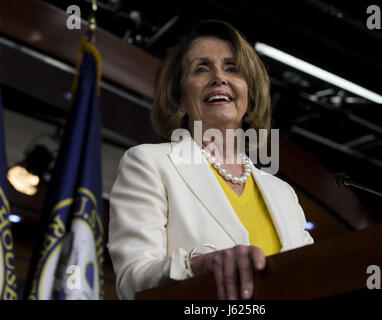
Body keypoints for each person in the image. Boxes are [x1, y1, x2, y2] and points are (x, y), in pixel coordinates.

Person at [108, 19, 314, 300]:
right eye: (201, 69)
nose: (219, 77)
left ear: (250, 97)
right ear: (179, 98)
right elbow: (132, 281)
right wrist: (197, 265)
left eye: (232, 69)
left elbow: (312, 277)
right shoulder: (148, 163)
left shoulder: (284, 194)